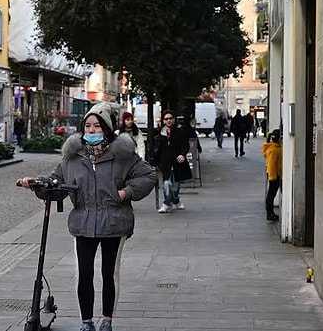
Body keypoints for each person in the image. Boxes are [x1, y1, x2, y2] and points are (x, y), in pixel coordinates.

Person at [17, 102, 156, 331]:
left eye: (97, 127)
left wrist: (126, 192)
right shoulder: (73, 157)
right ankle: (87, 322)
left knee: (110, 274)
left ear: (107, 129)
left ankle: (107, 321)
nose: (91, 131)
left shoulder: (123, 155)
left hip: (114, 222)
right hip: (83, 222)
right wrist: (36, 184)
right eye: (88, 126)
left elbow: (148, 175)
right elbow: (57, 182)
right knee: (84, 274)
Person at [152, 110, 192, 213]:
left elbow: (185, 145)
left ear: (173, 119)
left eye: (170, 118)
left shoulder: (180, 132)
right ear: (163, 121)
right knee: (166, 184)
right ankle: (166, 203)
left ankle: (176, 200)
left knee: (175, 187)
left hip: (177, 163)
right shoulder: (160, 134)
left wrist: (182, 155)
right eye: (166, 119)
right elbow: (158, 150)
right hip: (165, 163)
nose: (168, 120)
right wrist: (154, 163)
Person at [262, 129, 282, 221]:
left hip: (274, 174)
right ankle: (269, 213)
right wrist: (273, 177)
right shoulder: (274, 150)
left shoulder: (274, 148)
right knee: (271, 194)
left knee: (271, 194)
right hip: (274, 174)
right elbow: (271, 165)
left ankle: (270, 213)